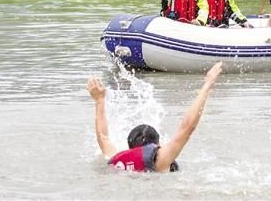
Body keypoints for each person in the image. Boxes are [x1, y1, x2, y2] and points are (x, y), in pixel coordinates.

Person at [87, 61, 223, 172]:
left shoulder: (118, 159)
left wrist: (99, 100)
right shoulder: (160, 160)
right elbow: (187, 127)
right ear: (157, 145)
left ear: (130, 148)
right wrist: (207, 85)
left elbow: (103, 137)